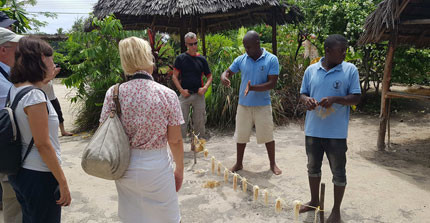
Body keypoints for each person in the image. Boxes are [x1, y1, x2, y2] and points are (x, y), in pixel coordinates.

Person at [99, 36, 184, 223]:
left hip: (124, 166)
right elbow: (175, 140)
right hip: (157, 166)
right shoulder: (167, 94)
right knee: (167, 218)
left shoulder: (113, 93)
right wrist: (179, 169)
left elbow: (105, 132)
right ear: (148, 59)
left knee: (133, 217)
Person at [7, 36, 72, 222]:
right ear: (42, 58)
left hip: (22, 171)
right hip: (40, 175)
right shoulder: (34, 97)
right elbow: (43, 144)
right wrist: (63, 181)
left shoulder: (17, 88)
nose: (54, 63)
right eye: (51, 58)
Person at [298, 34, 361, 223]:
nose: (344, 53)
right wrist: (306, 100)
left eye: (345, 49)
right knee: (312, 168)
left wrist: (335, 99)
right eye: (340, 50)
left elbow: (356, 98)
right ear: (327, 51)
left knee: (338, 172)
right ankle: (314, 201)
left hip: (336, 133)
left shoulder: (350, 70)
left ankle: (336, 211)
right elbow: (302, 93)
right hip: (313, 131)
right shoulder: (311, 70)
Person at [221, 30, 282, 175]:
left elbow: (272, 83)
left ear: (257, 43)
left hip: (263, 105)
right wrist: (224, 76)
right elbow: (227, 72)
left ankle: (273, 164)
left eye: (248, 47)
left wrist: (253, 87)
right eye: (244, 47)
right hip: (244, 106)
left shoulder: (271, 59)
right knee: (241, 136)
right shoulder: (241, 59)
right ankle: (239, 163)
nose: (246, 50)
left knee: (267, 135)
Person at [172, 32, 212, 140]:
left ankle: (198, 145)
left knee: (200, 121)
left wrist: (205, 88)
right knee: (180, 121)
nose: (194, 46)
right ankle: (179, 147)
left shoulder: (202, 59)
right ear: (186, 44)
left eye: (195, 43)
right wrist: (181, 90)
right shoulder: (180, 58)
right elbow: (174, 76)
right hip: (185, 95)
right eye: (191, 44)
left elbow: (209, 76)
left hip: (198, 95)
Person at [0, 27, 22, 222]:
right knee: (13, 203)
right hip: (7, 150)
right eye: (17, 49)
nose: (20, 53)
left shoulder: (7, 74)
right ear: (3, 50)